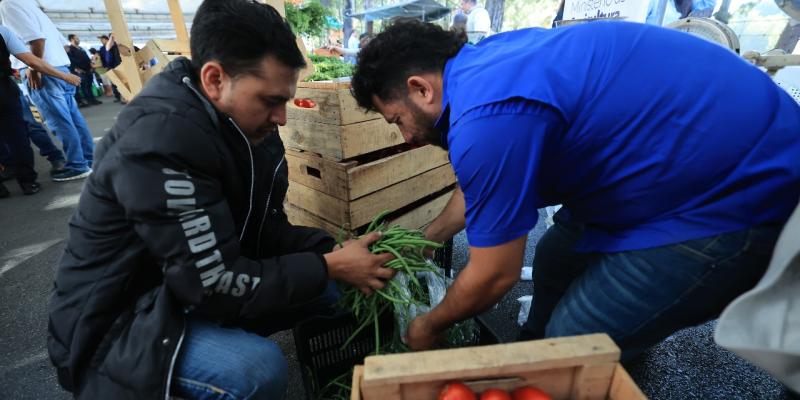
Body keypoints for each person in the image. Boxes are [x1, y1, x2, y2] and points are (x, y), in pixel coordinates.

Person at [351, 20, 800, 359]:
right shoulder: (486, 68)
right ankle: (539, 356)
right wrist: (420, 243)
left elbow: (494, 274)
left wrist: (428, 326)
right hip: (670, 166)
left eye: (397, 120)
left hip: (736, 193)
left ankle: (574, 360)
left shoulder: (486, 117)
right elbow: (483, 192)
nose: (406, 137)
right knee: (554, 260)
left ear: (420, 89)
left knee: (573, 340)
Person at [47, 1, 394, 399]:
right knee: (257, 370)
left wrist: (330, 250)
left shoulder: (244, 126)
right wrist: (327, 266)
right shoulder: (161, 141)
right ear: (214, 79)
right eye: (270, 100)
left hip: (182, 287)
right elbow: (212, 285)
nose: (282, 117)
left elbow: (262, 228)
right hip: (121, 323)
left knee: (331, 289)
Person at [0, 0, 95, 182]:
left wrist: (35, 69)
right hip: (60, 67)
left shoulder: (8, 4)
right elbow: (62, 44)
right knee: (74, 119)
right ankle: (88, 160)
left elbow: (36, 39)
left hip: (45, 71)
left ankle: (77, 165)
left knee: (60, 122)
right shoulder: (30, 5)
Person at [0, 24, 80, 197]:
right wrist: (65, 76)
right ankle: (28, 182)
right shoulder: (2, 30)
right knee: (18, 136)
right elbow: (32, 60)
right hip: (4, 91)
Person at [66, 33, 101, 107]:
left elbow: (87, 58)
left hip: (88, 70)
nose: (78, 39)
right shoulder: (70, 49)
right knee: (84, 86)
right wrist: (76, 69)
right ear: (72, 39)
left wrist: (91, 65)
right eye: (76, 38)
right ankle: (87, 100)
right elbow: (71, 60)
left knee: (89, 85)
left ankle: (92, 99)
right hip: (80, 71)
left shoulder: (80, 48)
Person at [97, 33, 123, 102]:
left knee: (121, 82)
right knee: (114, 83)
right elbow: (104, 59)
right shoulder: (102, 48)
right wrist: (105, 66)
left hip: (117, 66)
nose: (101, 41)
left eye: (102, 39)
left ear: (107, 39)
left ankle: (124, 96)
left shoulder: (115, 45)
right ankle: (118, 97)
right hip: (110, 67)